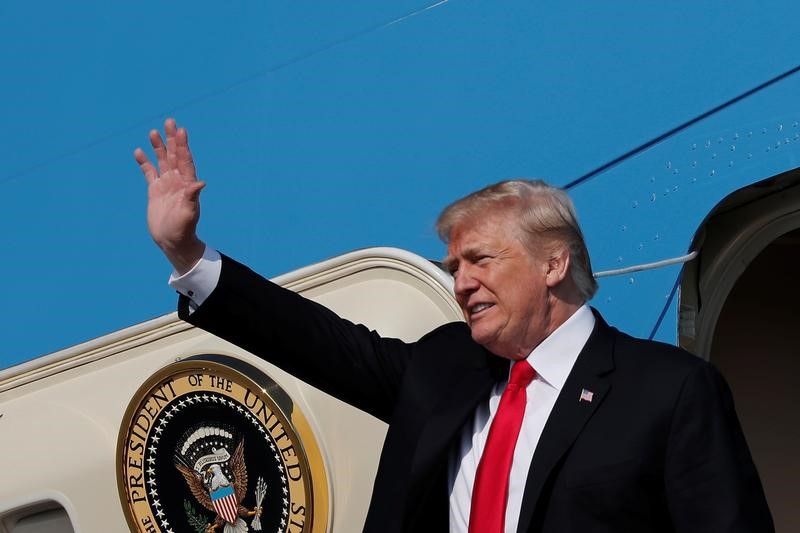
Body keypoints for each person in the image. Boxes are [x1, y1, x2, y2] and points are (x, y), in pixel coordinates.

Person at [135, 119, 774, 533]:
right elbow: (314, 341)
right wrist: (188, 255)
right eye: (453, 266)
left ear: (554, 263)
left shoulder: (669, 390)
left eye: (480, 261)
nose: (461, 281)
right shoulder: (444, 367)